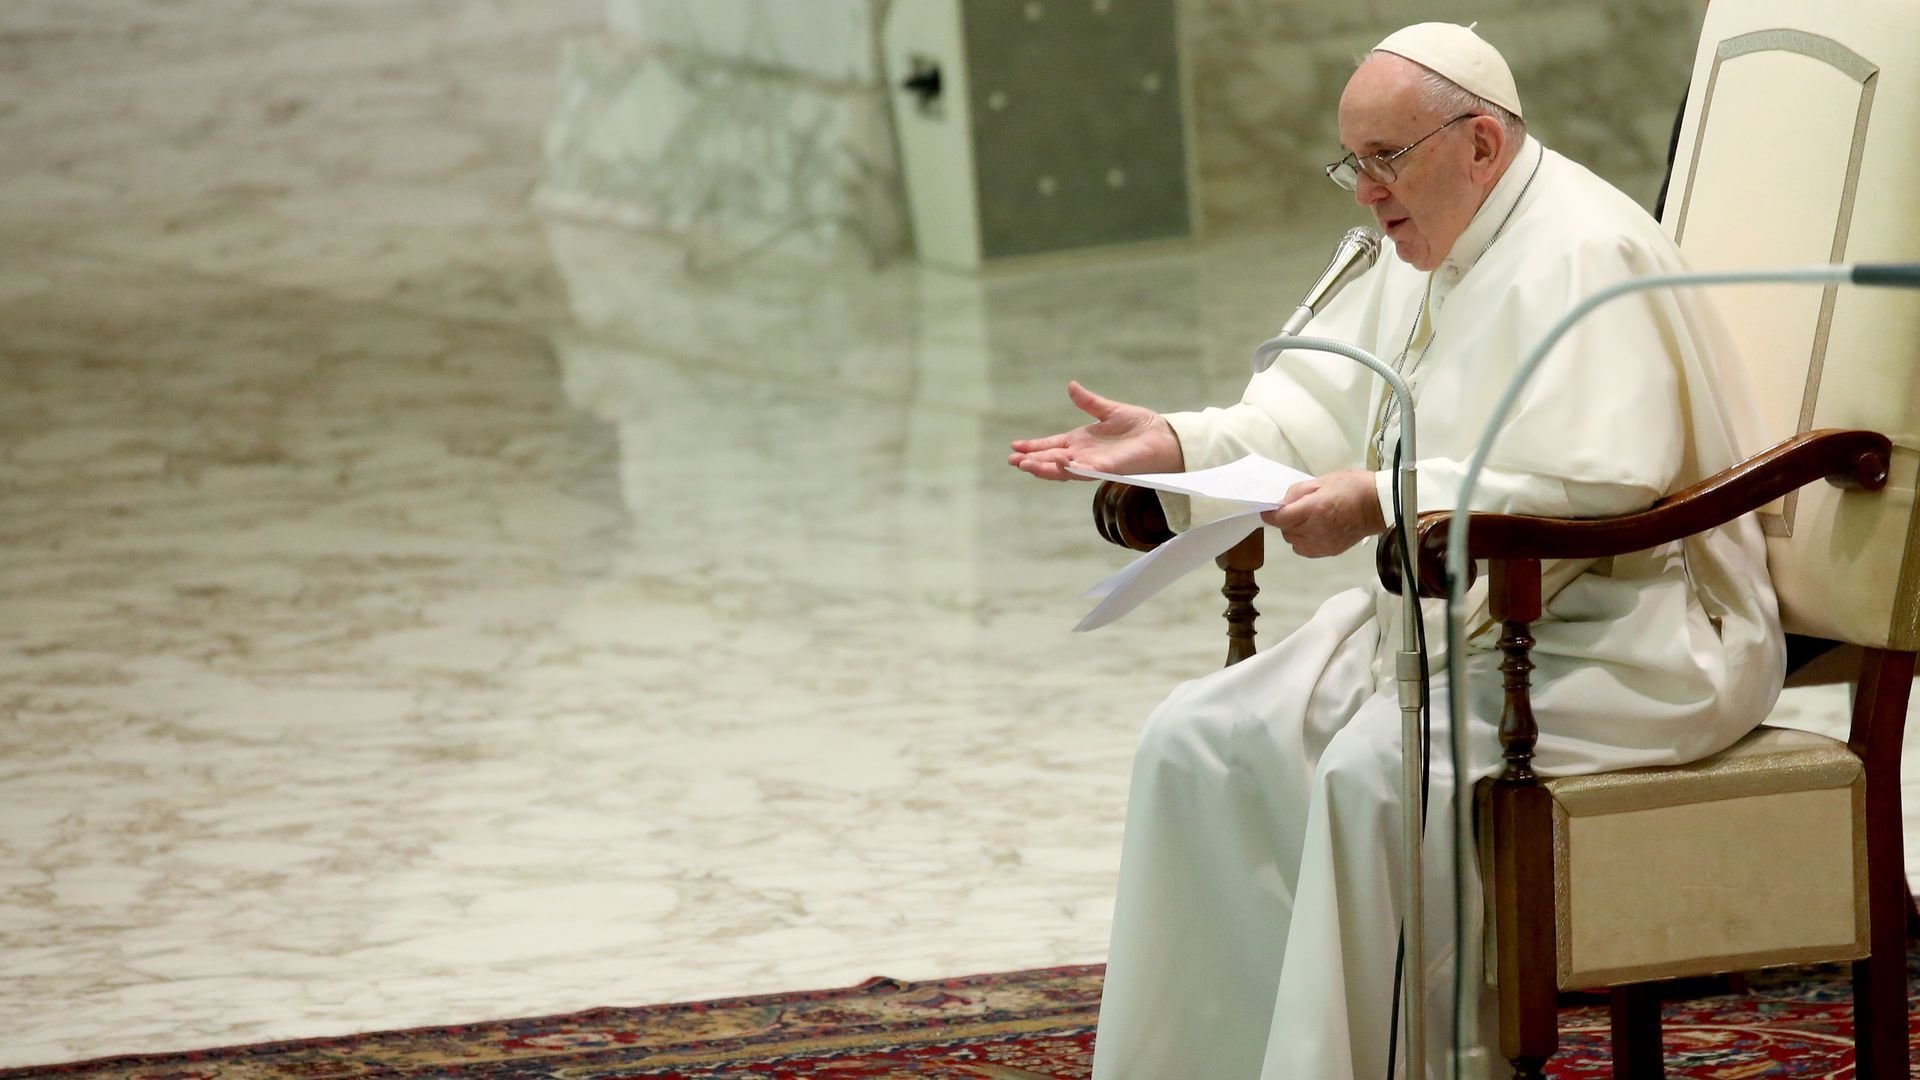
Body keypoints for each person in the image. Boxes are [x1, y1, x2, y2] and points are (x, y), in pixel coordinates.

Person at [1008, 22, 1781, 1080]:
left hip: (1635, 630)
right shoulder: (1422, 239)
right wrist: (1181, 441)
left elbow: (1604, 486)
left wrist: (1384, 498)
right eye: (1353, 164)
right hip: (1454, 621)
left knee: (1379, 771)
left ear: (1479, 144)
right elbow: (1311, 406)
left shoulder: (1585, 254)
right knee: (1201, 737)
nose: (1365, 192)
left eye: (1386, 159)